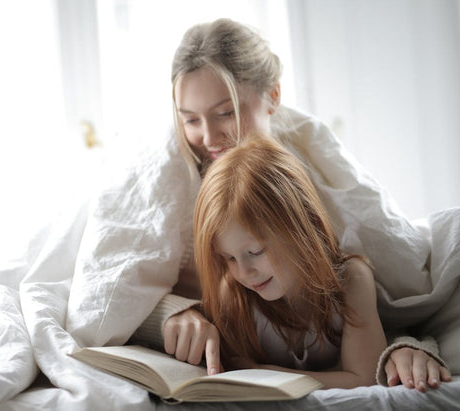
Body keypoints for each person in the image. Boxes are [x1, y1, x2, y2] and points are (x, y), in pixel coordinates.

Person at [130, 17, 451, 391]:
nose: (208, 138)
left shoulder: (345, 267)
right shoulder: (231, 285)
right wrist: (172, 315)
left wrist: (411, 343)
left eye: (226, 112)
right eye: (189, 120)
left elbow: (400, 306)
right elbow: (120, 297)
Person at [194, 136, 386, 388]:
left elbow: (366, 379)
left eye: (256, 251)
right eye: (229, 258)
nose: (244, 272)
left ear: (301, 225)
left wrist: (267, 373)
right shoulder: (233, 296)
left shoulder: (352, 280)